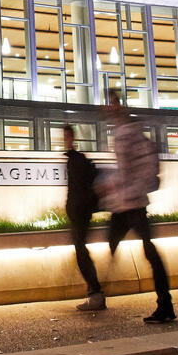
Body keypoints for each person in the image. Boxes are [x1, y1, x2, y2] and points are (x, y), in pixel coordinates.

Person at [89, 88, 176, 322]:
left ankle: (100, 291)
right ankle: (162, 303)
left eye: (111, 103)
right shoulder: (127, 132)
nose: (107, 108)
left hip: (131, 205)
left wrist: (108, 185)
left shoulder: (126, 134)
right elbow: (142, 166)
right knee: (136, 247)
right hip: (129, 204)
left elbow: (128, 170)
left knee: (141, 248)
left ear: (118, 106)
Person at [62, 124, 104, 307]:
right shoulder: (73, 159)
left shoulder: (77, 160)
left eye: (67, 136)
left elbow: (79, 189)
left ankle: (95, 292)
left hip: (80, 212)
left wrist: (74, 208)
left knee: (81, 251)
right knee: (81, 250)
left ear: (72, 137)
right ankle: (95, 292)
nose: (65, 140)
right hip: (79, 212)